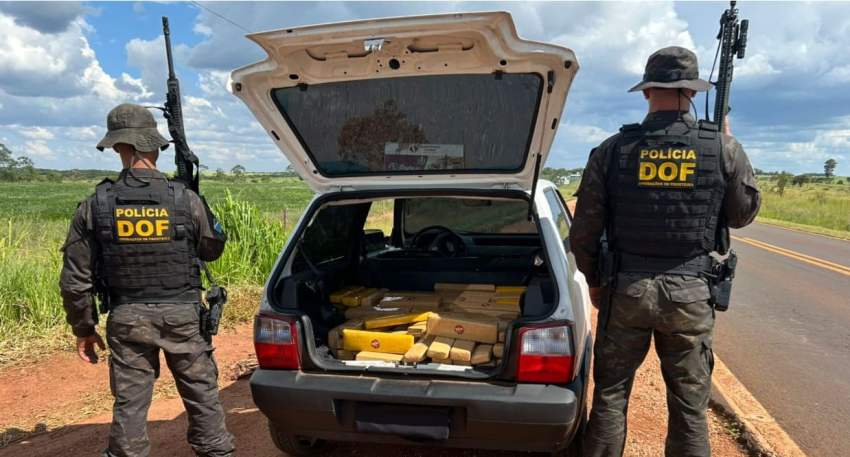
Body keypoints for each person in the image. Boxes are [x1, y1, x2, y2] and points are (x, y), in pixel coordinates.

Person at [571, 46, 760, 457]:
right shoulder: (722, 148)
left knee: (610, 397)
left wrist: (596, 286)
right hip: (691, 294)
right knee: (690, 406)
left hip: (627, 290)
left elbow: (583, 232)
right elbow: (742, 215)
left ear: (646, 92)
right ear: (692, 91)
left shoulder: (612, 149)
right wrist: (727, 145)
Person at [59, 103, 234, 457]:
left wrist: (84, 328)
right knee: (202, 394)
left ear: (119, 148)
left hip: (127, 318)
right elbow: (213, 249)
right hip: (183, 315)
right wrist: (195, 198)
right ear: (154, 147)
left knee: (130, 403)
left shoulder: (95, 204)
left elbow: (76, 279)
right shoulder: (185, 198)